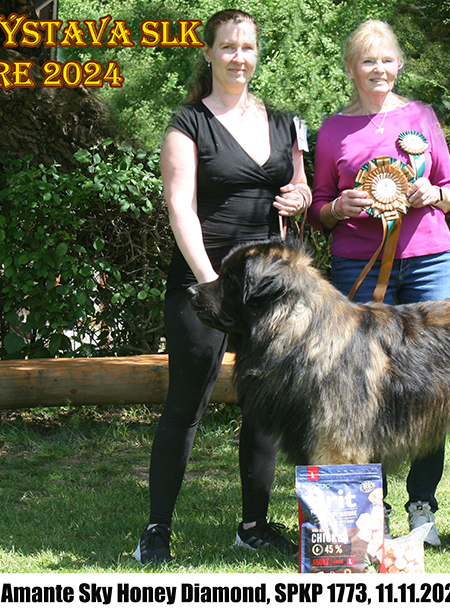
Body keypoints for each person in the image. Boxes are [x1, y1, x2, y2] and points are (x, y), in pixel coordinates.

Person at [135, 9, 311, 565]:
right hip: (204, 283)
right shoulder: (187, 123)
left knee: (263, 406)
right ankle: (156, 531)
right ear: (208, 52)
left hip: (270, 289)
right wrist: (210, 283)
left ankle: (253, 526)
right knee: (186, 405)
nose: (239, 57)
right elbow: (180, 208)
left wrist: (301, 197)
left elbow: (300, 188)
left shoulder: (285, 122)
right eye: (228, 47)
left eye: (248, 47)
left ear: (258, 54)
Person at [310, 19, 450, 547]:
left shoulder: (422, 116)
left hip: (429, 261)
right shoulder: (332, 129)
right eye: (367, 60)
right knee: (358, 388)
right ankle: (366, 512)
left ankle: (423, 507)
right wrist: (337, 206)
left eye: (387, 59)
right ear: (351, 69)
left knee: (435, 385)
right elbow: (317, 207)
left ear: (399, 64)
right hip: (359, 268)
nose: (379, 69)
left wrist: (433, 194)